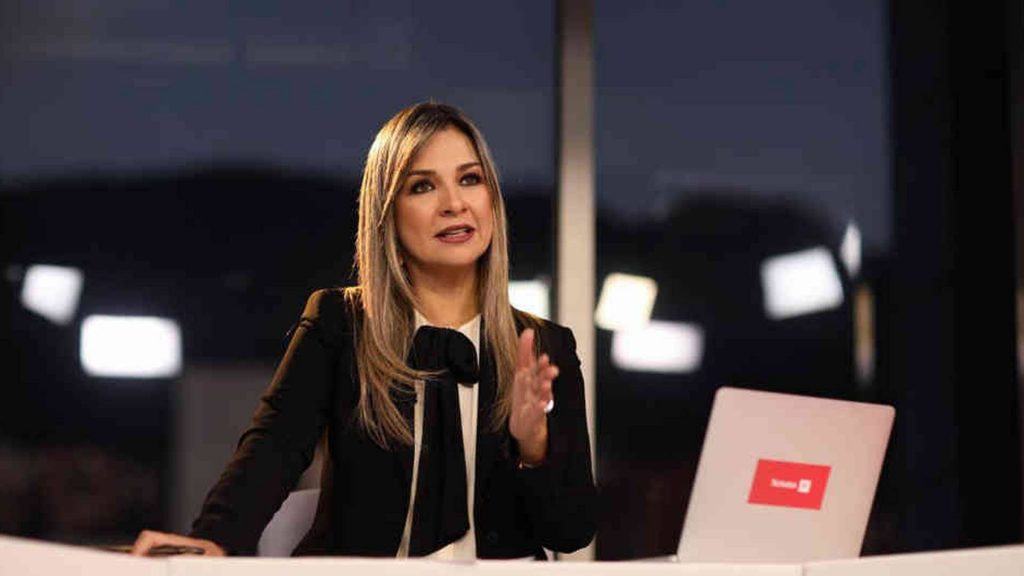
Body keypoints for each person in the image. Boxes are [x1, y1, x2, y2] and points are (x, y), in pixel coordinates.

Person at [131, 102, 597, 559]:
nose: (454, 204)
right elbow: (274, 449)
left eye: (469, 179)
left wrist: (533, 443)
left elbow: (572, 531)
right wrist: (212, 539)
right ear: (387, 213)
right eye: (422, 186)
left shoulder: (546, 345)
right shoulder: (339, 323)